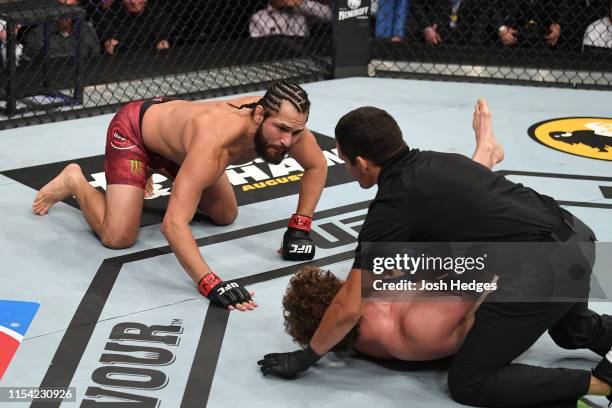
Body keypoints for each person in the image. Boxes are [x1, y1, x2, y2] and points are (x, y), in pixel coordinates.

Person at [258, 99, 612, 408]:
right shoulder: (440, 162)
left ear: (363, 163)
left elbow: (350, 303)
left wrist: (307, 357)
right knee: (573, 332)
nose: (349, 171)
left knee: (469, 383)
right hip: (578, 237)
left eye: (347, 162)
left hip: (544, 264)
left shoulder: (392, 206)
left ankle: (600, 383)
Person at [32, 81, 328, 311]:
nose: (288, 141)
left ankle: (162, 170)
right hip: (135, 131)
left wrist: (300, 226)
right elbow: (173, 225)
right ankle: (75, 181)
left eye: (296, 132)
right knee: (118, 236)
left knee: (226, 215)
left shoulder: (287, 128)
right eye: (282, 130)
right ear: (260, 114)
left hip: (180, 139)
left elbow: (316, 165)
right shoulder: (216, 143)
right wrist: (210, 284)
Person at [249, 0, 332, 38]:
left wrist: (301, 3)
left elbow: (329, 15)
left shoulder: (301, 12)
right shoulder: (259, 17)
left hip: (303, 57)